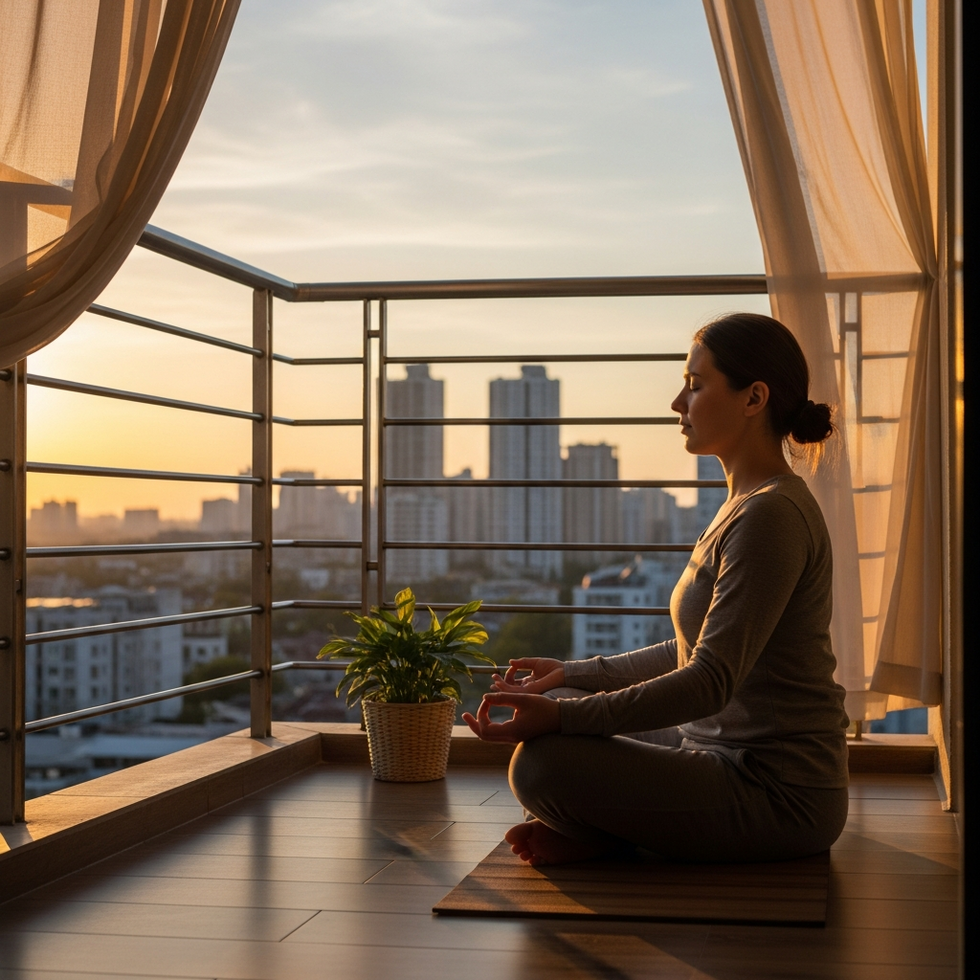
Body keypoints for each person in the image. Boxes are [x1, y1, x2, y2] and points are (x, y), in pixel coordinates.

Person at [463, 312, 849, 866]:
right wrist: (571, 676)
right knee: (557, 703)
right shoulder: (745, 505)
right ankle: (595, 832)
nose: (677, 402)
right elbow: (693, 648)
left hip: (778, 791)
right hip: (710, 749)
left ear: (753, 398)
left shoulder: (772, 516)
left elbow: (709, 679)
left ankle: (598, 834)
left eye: (694, 384)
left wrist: (566, 720)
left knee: (541, 764)